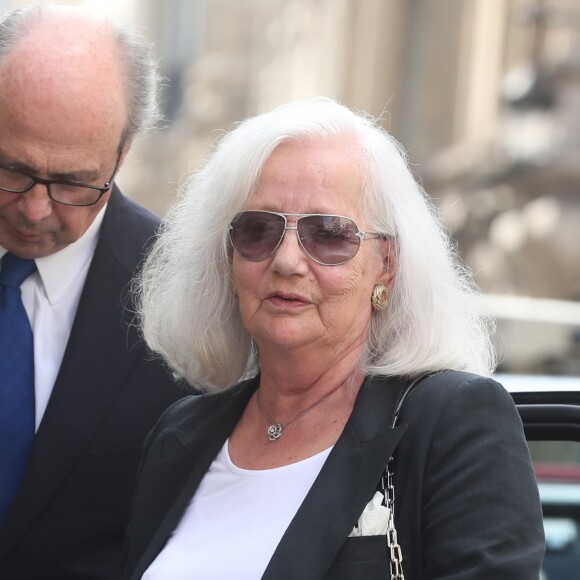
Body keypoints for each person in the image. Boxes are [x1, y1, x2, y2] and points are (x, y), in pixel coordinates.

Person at [123, 98, 545, 579]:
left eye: (327, 234)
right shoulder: (181, 435)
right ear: (228, 257)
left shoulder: (451, 421)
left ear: (385, 265)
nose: (286, 261)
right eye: (258, 230)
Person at [0, 6, 186, 579]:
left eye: (72, 183)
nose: (34, 209)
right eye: (10, 169)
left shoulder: (188, 293)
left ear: (122, 152)